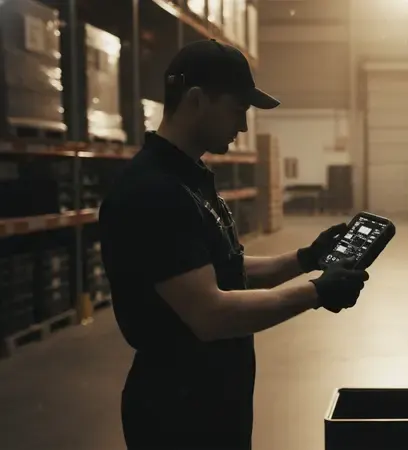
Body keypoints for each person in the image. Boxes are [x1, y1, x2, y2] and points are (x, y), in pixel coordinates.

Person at [98, 39, 369, 450]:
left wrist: (306, 258)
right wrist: (317, 292)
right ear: (196, 100)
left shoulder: (189, 180)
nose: (243, 126)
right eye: (238, 109)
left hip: (211, 401)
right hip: (178, 417)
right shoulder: (153, 192)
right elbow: (210, 313)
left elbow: (223, 270)